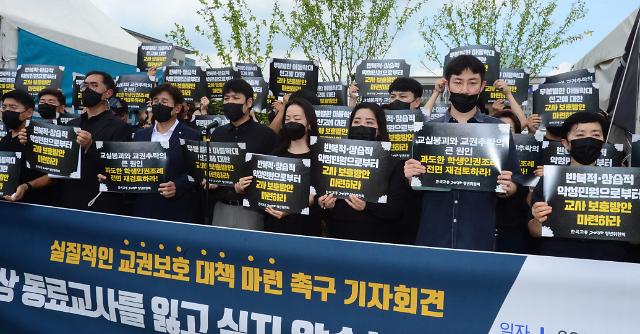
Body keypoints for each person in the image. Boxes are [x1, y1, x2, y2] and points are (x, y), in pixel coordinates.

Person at [403, 55, 519, 251]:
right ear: (447, 85)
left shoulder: (498, 130)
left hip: (478, 238)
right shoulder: (428, 129)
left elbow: (514, 181)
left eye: (472, 83)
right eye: (458, 82)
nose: (465, 90)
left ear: (482, 86)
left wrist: (509, 187)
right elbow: (415, 184)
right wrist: (410, 176)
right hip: (433, 237)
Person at [530, 112, 628, 261]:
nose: (588, 140)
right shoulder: (549, 180)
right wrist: (538, 219)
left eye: (596, 135)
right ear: (566, 143)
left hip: (609, 263)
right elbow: (534, 231)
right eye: (580, 135)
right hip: (559, 261)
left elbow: (634, 238)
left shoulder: (622, 183)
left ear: (603, 142)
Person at [318, 102, 408, 243]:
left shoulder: (393, 164)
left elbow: (395, 210)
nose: (362, 126)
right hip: (338, 239)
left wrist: (367, 206)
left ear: (379, 128)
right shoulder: (333, 159)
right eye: (357, 121)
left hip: (376, 241)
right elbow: (324, 208)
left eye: (369, 122)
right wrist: (325, 205)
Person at [122, 84, 200, 223]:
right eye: (156, 101)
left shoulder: (192, 136)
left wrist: (178, 185)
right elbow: (131, 167)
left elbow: (197, 173)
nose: (159, 105)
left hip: (176, 211)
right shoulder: (140, 135)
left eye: (164, 102)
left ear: (177, 108)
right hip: (142, 210)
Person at [209, 78, 279, 230]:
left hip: (250, 211)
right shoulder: (218, 134)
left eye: (235, 98)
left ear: (248, 102)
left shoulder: (265, 134)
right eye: (226, 98)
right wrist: (208, 180)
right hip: (220, 208)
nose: (230, 102)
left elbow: (272, 174)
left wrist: (249, 186)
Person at [60, 71, 133, 215]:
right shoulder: (71, 124)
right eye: (85, 85)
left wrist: (90, 146)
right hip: (67, 200)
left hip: (99, 203)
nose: (88, 89)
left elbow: (120, 169)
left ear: (108, 93)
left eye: (94, 85)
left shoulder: (120, 127)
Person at [263, 98, 322, 236]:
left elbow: (323, 195)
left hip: (307, 230)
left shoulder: (320, 158)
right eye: (288, 119)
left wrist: (296, 204)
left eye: (297, 118)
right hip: (274, 228)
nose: (291, 122)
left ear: (309, 123)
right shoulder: (275, 155)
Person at [0, 89, 55, 205]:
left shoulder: (42, 138)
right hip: (6, 206)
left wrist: (27, 186)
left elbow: (55, 175)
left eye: (13, 107)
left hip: (36, 207)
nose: (7, 111)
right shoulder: (4, 140)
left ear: (29, 113)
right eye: (4, 107)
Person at [494, 110, 532, 254]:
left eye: (509, 130)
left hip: (514, 226)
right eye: (500, 129)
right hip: (488, 224)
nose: (505, 135)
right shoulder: (484, 154)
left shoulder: (531, 154)